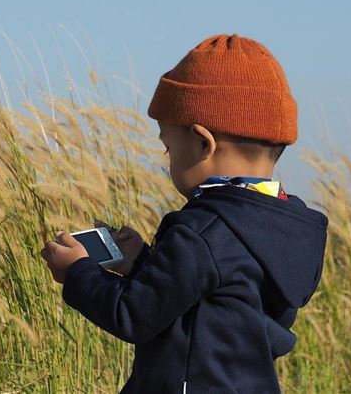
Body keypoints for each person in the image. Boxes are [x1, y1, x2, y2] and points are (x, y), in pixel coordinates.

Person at [40, 33, 329, 393]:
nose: (167, 159)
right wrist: (143, 263)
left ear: (203, 143)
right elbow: (209, 303)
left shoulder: (202, 230)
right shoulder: (283, 228)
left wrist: (77, 272)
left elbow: (134, 315)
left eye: (167, 146)